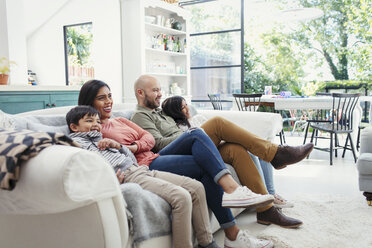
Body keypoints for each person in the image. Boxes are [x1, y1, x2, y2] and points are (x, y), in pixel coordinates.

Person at [78, 80, 275, 248]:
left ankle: (232, 233)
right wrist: (125, 153)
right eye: (101, 98)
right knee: (197, 135)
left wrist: (134, 145)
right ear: (89, 102)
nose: (108, 101)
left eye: (109, 96)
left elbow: (149, 139)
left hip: (154, 157)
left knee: (202, 146)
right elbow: (96, 155)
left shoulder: (120, 120)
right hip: (145, 166)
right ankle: (234, 198)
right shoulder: (92, 128)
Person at [131, 75, 314, 228]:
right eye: (155, 90)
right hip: (171, 155)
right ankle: (276, 154)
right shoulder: (140, 115)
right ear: (140, 93)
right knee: (217, 123)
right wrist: (188, 135)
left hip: (191, 145)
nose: (160, 94)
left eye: (159, 89)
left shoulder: (160, 112)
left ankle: (266, 210)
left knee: (235, 149)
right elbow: (159, 145)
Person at [66, 105, 221, 248]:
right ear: (74, 127)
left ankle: (207, 242)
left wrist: (118, 146)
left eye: (97, 121)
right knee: (182, 197)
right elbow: (89, 170)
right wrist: (111, 181)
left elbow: (130, 158)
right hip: (129, 176)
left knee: (197, 187)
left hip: (141, 170)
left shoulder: (100, 139)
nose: (95, 124)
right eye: (89, 121)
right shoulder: (76, 144)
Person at [161, 95, 294, 209]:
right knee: (224, 129)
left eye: (186, 105)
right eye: (182, 108)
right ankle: (270, 181)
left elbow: (219, 134)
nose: (187, 109)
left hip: (219, 144)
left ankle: (271, 194)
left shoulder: (199, 118)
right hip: (205, 150)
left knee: (253, 150)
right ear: (175, 112)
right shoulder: (180, 128)